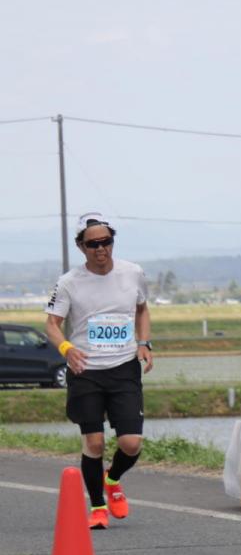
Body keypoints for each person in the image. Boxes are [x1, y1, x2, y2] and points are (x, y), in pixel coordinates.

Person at [44, 213, 153, 530]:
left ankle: (113, 478)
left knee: (131, 443)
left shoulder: (133, 273)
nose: (101, 249)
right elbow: (52, 324)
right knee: (93, 443)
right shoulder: (69, 283)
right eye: (93, 244)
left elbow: (142, 309)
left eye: (106, 241)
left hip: (123, 369)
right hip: (86, 370)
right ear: (81, 247)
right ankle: (98, 506)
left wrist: (144, 342)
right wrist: (67, 349)